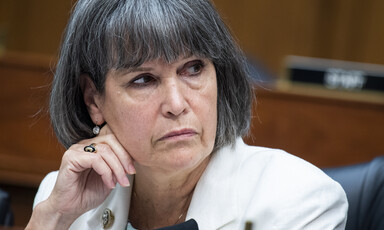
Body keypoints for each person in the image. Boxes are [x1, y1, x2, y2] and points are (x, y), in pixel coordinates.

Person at [26, 0, 348, 229]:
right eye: (144, 80)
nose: (177, 103)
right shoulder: (63, 199)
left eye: (193, 69)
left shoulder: (301, 201)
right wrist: (53, 217)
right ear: (94, 100)